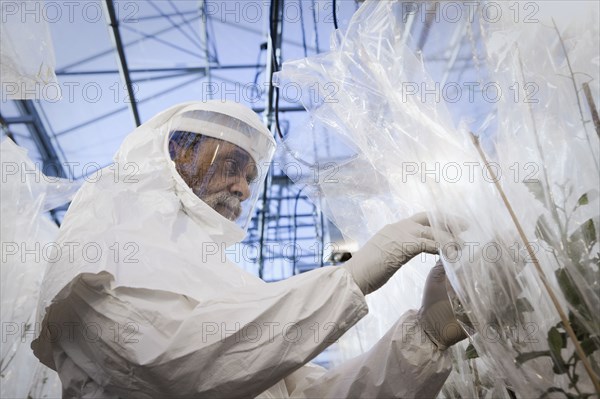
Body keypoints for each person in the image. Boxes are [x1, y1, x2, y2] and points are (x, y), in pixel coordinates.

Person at [32, 101, 467, 398]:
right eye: (230, 165)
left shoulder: (226, 283)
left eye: (249, 176)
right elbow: (174, 364)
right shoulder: (105, 250)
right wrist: (350, 279)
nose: (242, 187)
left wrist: (425, 339)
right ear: (177, 153)